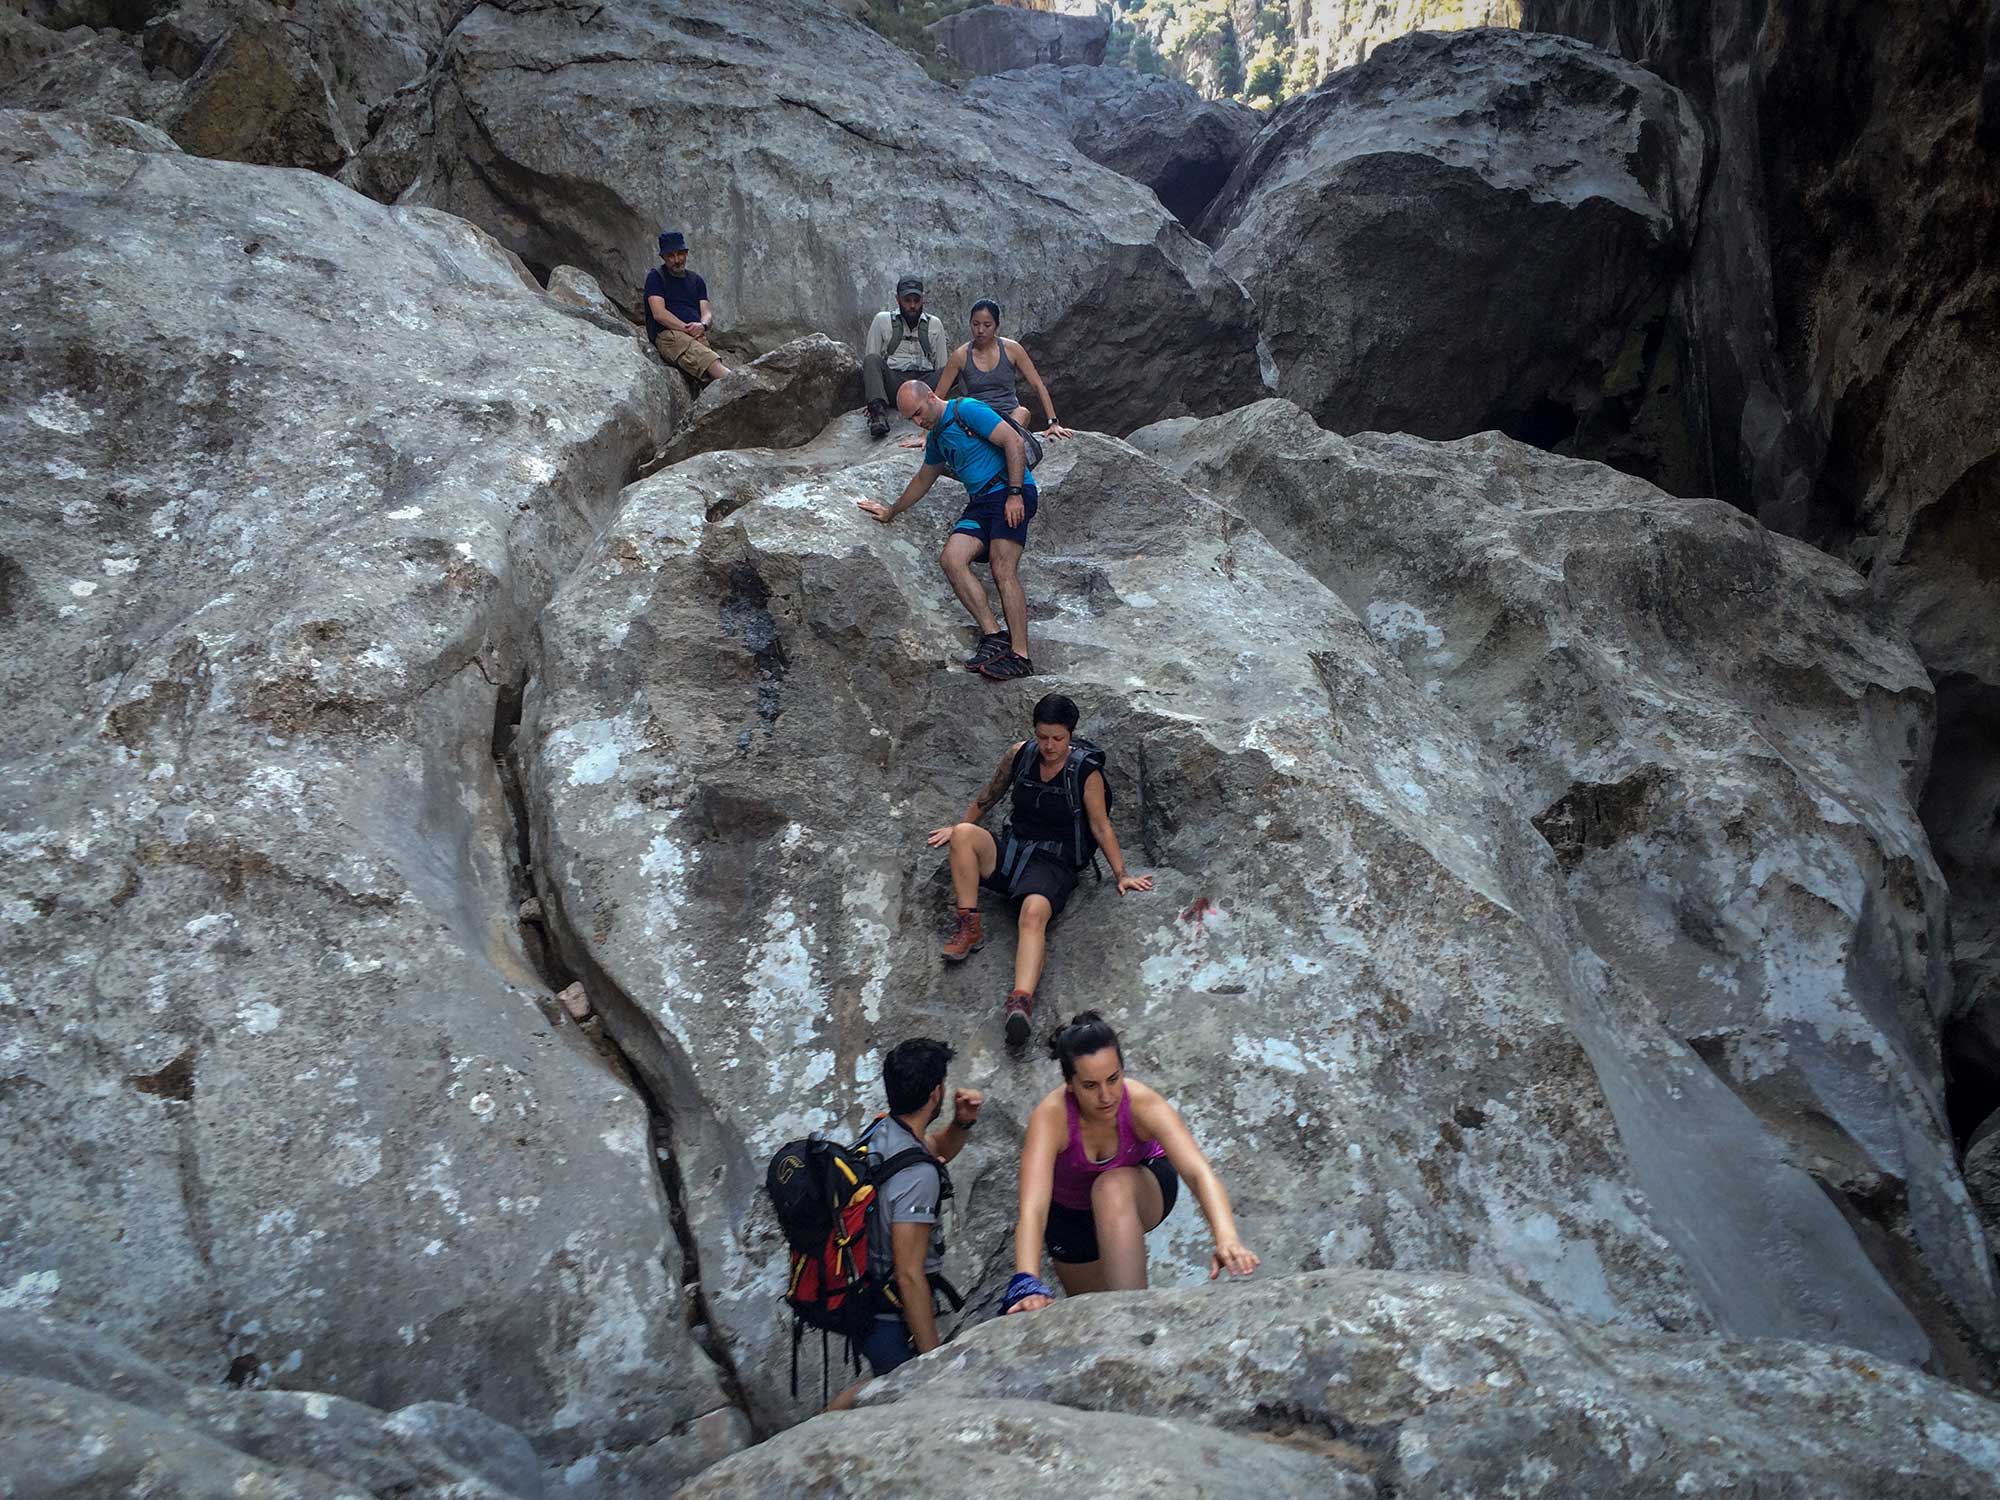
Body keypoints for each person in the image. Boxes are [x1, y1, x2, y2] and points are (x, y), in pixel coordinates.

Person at [1001, 1012, 1259, 1317]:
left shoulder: (1140, 1102)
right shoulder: (1051, 1118)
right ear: (1070, 1084)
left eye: (1113, 1079)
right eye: (1090, 1085)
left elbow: (1198, 1172)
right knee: (1094, 1318)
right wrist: (1027, 1281)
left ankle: (1138, 1320)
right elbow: (1033, 1207)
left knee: (1110, 1188)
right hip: (1071, 1216)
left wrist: (1226, 1237)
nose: (1106, 1096)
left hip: (1141, 1187)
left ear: (1123, 1070)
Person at [927, 694, 1152, 1039]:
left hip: (1054, 863)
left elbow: (1100, 826)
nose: (1049, 746)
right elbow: (990, 794)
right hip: (1014, 851)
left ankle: (1020, 1002)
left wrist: (1122, 874)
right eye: (1043, 737)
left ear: (1071, 735)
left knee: (1032, 913)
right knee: (963, 836)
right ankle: (969, 926)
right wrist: (957, 825)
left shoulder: (1085, 773)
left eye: (1058, 739)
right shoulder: (1021, 754)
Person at [825, 1036, 983, 1410]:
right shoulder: (918, 1176)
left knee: (883, 1388)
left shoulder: (883, 1132)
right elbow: (909, 1275)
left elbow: (931, 1150)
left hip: (864, 1301)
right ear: (935, 1093)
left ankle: (824, 1423)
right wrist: (934, 1364)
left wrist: (961, 1123)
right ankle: (814, 1436)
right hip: (889, 1317)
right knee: (911, 1402)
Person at [856, 381, 1038, 681]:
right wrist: (891, 510)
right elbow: (923, 479)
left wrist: (1016, 493)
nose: (918, 422)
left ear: (931, 396)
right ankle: (994, 636)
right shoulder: (938, 436)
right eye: (911, 419)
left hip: (1008, 490)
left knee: (1002, 567)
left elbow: (1013, 442)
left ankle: (1021, 655)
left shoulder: (966, 410)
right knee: (952, 559)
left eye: (918, 413)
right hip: (981, 501)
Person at [928, 299, 1072, 441]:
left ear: (996, 326)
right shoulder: (960, 355)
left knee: (1023, 412)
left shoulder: (1012, 349)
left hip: (1010, 416)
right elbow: (938, 396)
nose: (980, 330)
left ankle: (1000, 442)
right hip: (977, 417)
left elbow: (1037, 385)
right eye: (975, 324)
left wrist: (1053, 422)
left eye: (987, 325)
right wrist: (925, 435)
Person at [863, 277, 948, 439]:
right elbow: (871, 358)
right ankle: (878, 415)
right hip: (894, 383)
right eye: (907, 300)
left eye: (916, 300)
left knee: (954, 366)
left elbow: (942, 366)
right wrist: (873, 395)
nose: (912, 305)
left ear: (923, 299)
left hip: (925, 384)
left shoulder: (935, 324)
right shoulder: (882, 320)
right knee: (872, 360)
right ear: (897, 299)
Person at [643, 230, 730, 384]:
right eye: (671, 256)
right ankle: (741, 385)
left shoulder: (696, 280)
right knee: (710, 362)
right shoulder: (656, 277)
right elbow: (659, 313)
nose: (677, 260)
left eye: (680, 254)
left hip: (695, 334)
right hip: (668, 335)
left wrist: (702, 325)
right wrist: (688, 329)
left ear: (686, 253)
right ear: (663, 257)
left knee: (711, 372)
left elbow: (707, 312)